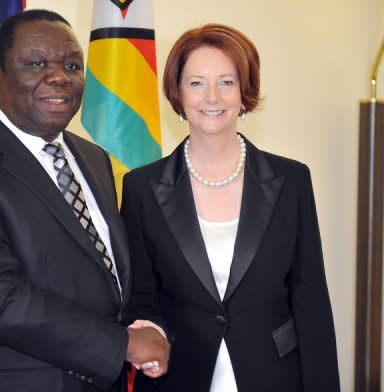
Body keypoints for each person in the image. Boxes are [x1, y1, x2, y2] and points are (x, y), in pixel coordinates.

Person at [0, 9, 169, 392]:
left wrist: (146, 324)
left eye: (72, 65)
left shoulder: (92, 158)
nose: (59, 77)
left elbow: (108, 275)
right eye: (36, 63)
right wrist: (122, 345)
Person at [120, 23, 340, 391]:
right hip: (179, 376)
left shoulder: (291, 180)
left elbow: (310, 299)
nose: (212, 97)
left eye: (226, 81)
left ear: (244, 92)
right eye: (196, 83)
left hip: (274, 377)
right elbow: (140, 297)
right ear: (178, 92)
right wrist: (149, 330)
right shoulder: (141, 187)